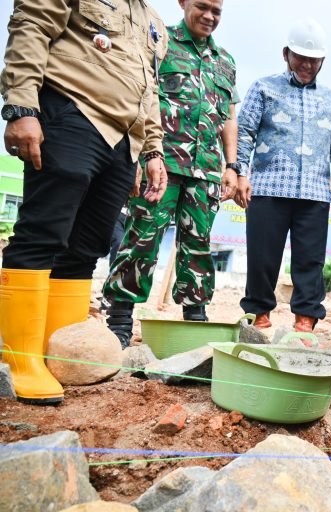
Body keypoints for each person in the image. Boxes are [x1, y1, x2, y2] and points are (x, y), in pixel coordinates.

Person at [0, 0, 168, 404]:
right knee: (42, 235)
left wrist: (151, 150)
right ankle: (19, 360)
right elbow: (33, 24)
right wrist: (21, 106)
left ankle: (61, 358)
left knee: (86, 249)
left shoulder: (153, 21)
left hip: (123, 141)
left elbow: (149, 89)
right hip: (72, 113)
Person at [100, 0, 245, 346]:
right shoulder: (159, 40)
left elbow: (229, 118)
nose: (209, 16)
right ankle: (119, 320)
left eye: (217, 11)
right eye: (202, 6)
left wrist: (231, 165)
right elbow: (140, 95)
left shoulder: (225, 61)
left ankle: (195, 318)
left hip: (206, 170)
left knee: (198, 245)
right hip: (160, 163)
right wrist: (138, 155)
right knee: (142, 237)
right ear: (183, 2)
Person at [237, 18, 331, 332]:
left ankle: (305, 320)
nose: (307, 65)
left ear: (322, 61)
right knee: (262, 257)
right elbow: (244, 132)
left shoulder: (330, 98)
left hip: (314, 192)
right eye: (301, 57)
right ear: (286, 53)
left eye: (314, 60)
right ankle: (258, 317)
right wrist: (240, 173)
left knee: (310, 260)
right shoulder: (263, 87)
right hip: (268, 187)